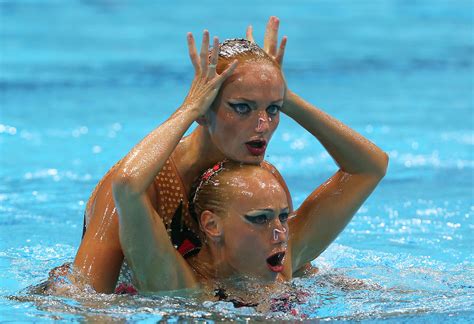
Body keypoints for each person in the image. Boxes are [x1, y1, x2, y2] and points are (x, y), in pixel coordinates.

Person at [69, 16, 388, 294]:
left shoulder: (259, 182)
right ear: (205, 110)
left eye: (273, 109)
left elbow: (369, 167)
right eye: (243, 108)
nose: (263, 125)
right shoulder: (145, 185)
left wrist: (282, 94)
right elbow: (85, 298)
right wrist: (189, 108)